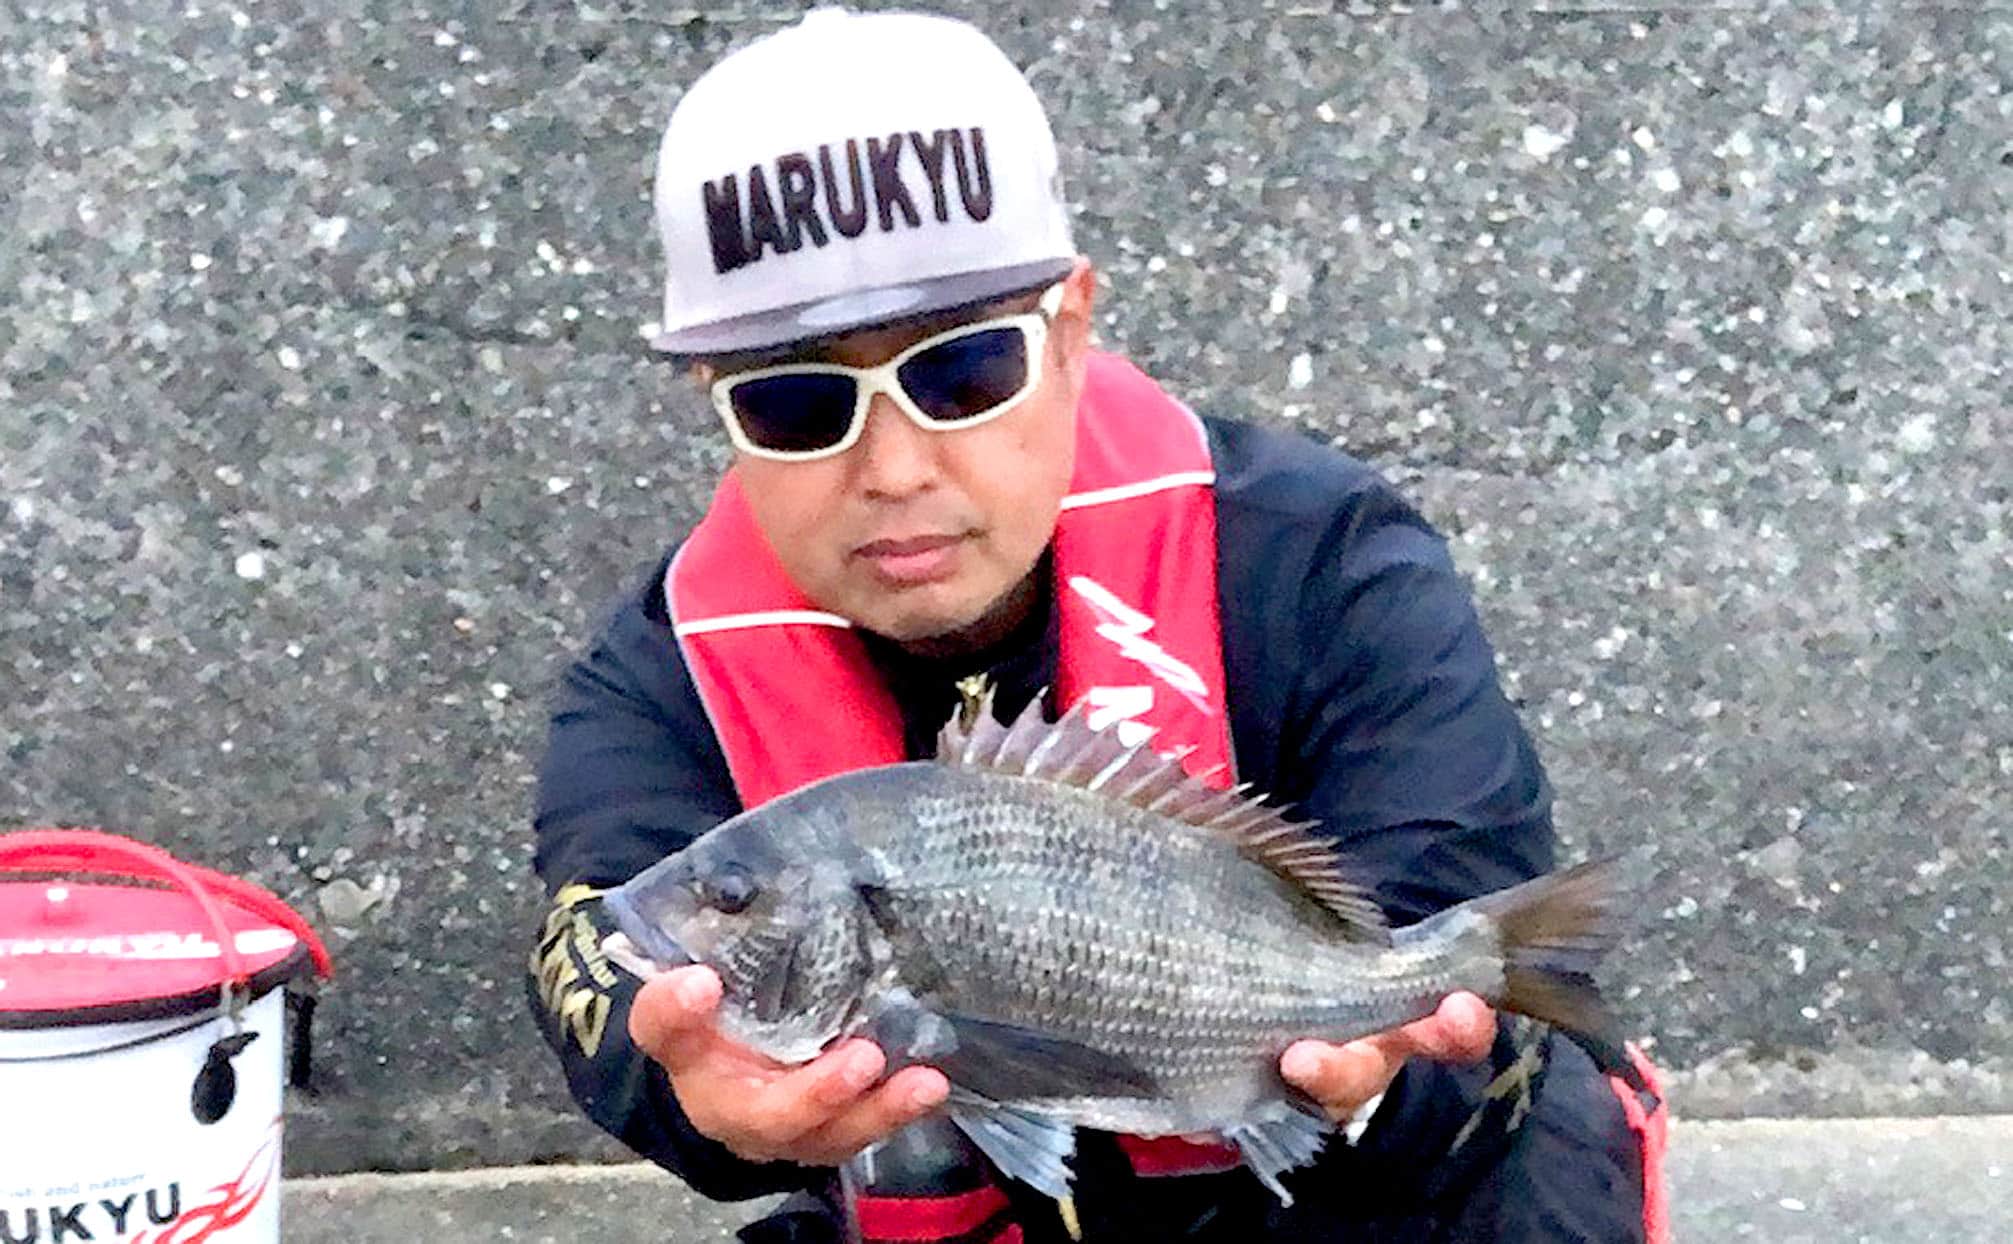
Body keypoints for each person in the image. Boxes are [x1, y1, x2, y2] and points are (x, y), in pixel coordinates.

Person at [528, 9, 1665, 1242]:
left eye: (964, 371)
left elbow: (1465, 904)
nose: (896, 464)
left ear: (1072, 330)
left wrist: (1392, 1074)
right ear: (718, 404)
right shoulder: (658, 679)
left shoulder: (1320, 561)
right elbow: (596, 946)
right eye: (799, 402)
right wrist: (699, 1097)